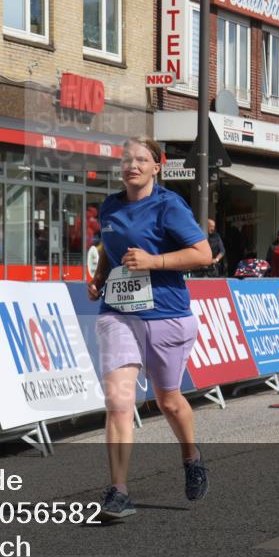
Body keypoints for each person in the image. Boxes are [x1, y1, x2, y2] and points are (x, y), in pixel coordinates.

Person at [87, 135, 213, 519]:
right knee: (118, 400)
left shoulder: (169, 206)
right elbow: (111, 250)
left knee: (169, 401)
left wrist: (153, 262)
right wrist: (98, 276)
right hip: (118, 313)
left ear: (157, 167)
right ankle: (118, 491)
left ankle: (191, 456)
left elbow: (203, 254)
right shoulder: (110, 206)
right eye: (127, 159)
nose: (132, 165)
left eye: (141, 159)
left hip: (166, 314)